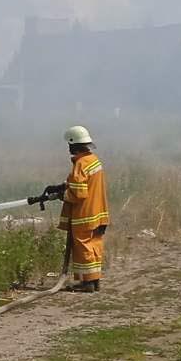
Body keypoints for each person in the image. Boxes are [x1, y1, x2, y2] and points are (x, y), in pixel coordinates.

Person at [55, 124, 109, 292]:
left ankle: (87, 284)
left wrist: (62, 195)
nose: (68, 148)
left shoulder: (80, 164)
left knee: (83, 246)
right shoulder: (93, 160)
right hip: (98, 213)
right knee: (94, 245)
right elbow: (84, 184)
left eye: (69, 144)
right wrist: (62, 186)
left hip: (84, 214)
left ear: (74, 144)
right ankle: (94, 280)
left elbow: (78, 194)